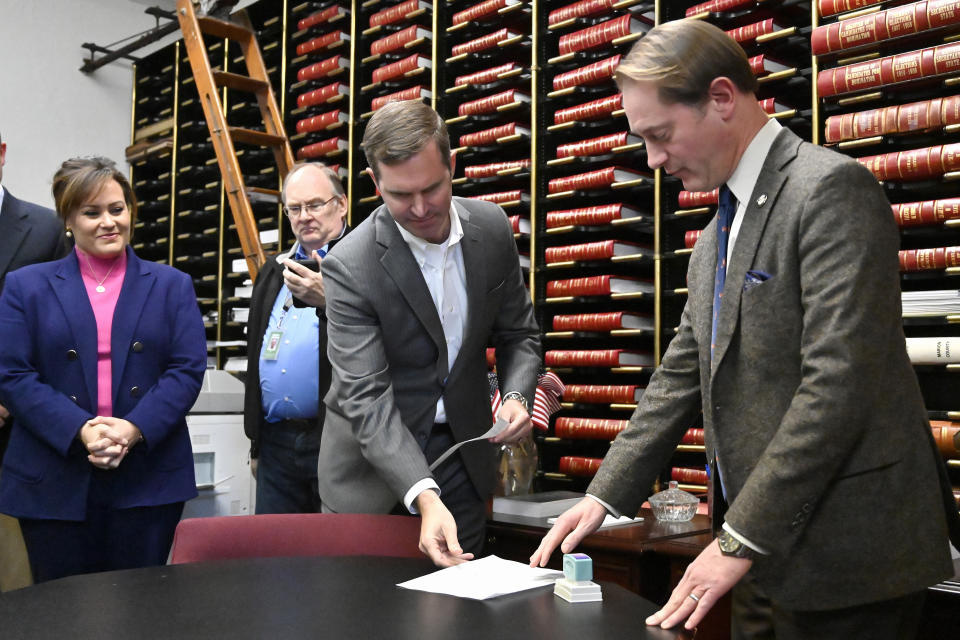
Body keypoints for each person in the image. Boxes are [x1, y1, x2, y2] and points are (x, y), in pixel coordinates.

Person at [530, 19, 960, 640]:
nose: (652, 161)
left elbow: (837, 387)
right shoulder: (714, 236)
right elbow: (681, 374)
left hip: (849, 556)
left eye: (660, 135)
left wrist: (739, 540)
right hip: (757, 551)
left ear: (723, 99)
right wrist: (604, 497)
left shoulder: (829, 190)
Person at [317, 99, 541, 566]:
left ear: (452, 165)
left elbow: (519, 334)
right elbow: (366, 397)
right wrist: (422, 494)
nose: (420, 209)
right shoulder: (350, 266)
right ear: (375, 183)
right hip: (371, 477)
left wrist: (518, 396)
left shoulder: (492, 228)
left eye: (432, 188)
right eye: (400, 195)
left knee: (460, 616)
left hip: (464, 460)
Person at [0, 156, 207, 582]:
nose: (108, 222)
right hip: (53, 476)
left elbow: (186, 370)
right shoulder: (26, 286)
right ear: (68, 220)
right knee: (61, 610)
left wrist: (132, 430)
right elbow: (13, 374)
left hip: (148, 478)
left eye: (117, 208)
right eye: (92, 213)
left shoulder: (172, 285)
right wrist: (81, 430)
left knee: (139, 607)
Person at [244, 162, 349, 513]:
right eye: (295, 208)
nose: (304, 216)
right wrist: (256, 443)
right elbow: (256, 351)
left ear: (342, 205)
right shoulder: (273, 271)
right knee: (274, 560)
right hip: (276, 446)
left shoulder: (365, 267)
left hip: (337, 444)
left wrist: (330, 299)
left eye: (315, 205)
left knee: (333, 560)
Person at [0, 130, 71, 591]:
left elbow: (62, 328)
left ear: (2, 153)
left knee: (17, 576)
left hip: (18, 430)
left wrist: (10, 397)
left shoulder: (46, 228)